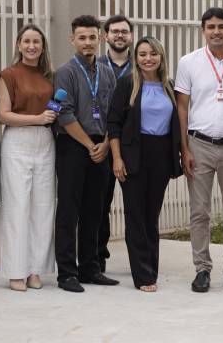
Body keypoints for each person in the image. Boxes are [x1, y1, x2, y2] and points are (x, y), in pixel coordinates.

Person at [175, 7, 223, 293]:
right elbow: (182, 106)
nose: (216, 31)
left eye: (221, 26)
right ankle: (202, 269)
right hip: (199, 144)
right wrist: (184, 148)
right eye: (210, 27)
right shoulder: (189, 62)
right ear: (203, 30)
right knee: (199, 212)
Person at [108, 36, 182, 292]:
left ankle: (151, 268)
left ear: (161, 57)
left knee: (152, 215)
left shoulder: (169, 86)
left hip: (161, 155)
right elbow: (113, 124)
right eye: (142, 54)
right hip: (133, 155)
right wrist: (117, 158)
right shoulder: (127, 84)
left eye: (153, 53)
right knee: (136, 215)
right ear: (135, 58)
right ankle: (143, 276)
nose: (148, 58)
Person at [54, 15, 119, 293]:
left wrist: (104, 144)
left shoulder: (106, 72)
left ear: (100, 39)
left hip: (100, 147)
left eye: (92, 37)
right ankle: (67, 273)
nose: (88, 42)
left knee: (96, 209)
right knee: (69, 209)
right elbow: (63, 113)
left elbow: (113, 113)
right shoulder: (65, 72)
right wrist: (88, 144)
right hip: (73, 145)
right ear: (73, 40)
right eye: (82, 37)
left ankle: (90, 268)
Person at [0, 24, 57, 292]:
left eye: (37, 42)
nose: (32, 46)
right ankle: (15, 272)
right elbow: (4, 115)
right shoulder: (8, 75)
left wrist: (44, 121)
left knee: (43, 207)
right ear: (19, 45)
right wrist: (36, 118)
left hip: (45, 141)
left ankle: (36, 269)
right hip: (17, 141)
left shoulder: (49, 77)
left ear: (42, 47)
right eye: (27, 41)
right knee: (17, 207)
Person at [97, 14, 135, 273]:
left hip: (131, 146)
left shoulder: (143, 65)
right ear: (105, 36)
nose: (119, 35)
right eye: (114, 32)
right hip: (100, 145)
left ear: (131, 36)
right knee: (99, 205)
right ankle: (97, 256)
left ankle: (140, 260)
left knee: (136, 207)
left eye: (124, 31)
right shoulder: (94, 65)